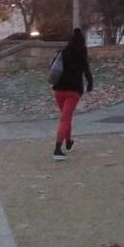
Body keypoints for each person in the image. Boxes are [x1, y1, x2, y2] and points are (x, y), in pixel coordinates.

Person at [52, 28, 93, 160]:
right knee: (65, 118)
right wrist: (90, 83)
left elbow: (53, 68)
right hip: (73, 91)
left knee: (66, 117)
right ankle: (57, 149)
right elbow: (86, 70)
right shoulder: (81, 53)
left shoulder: (62, 52)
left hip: (59, 90)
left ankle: (68, 140)